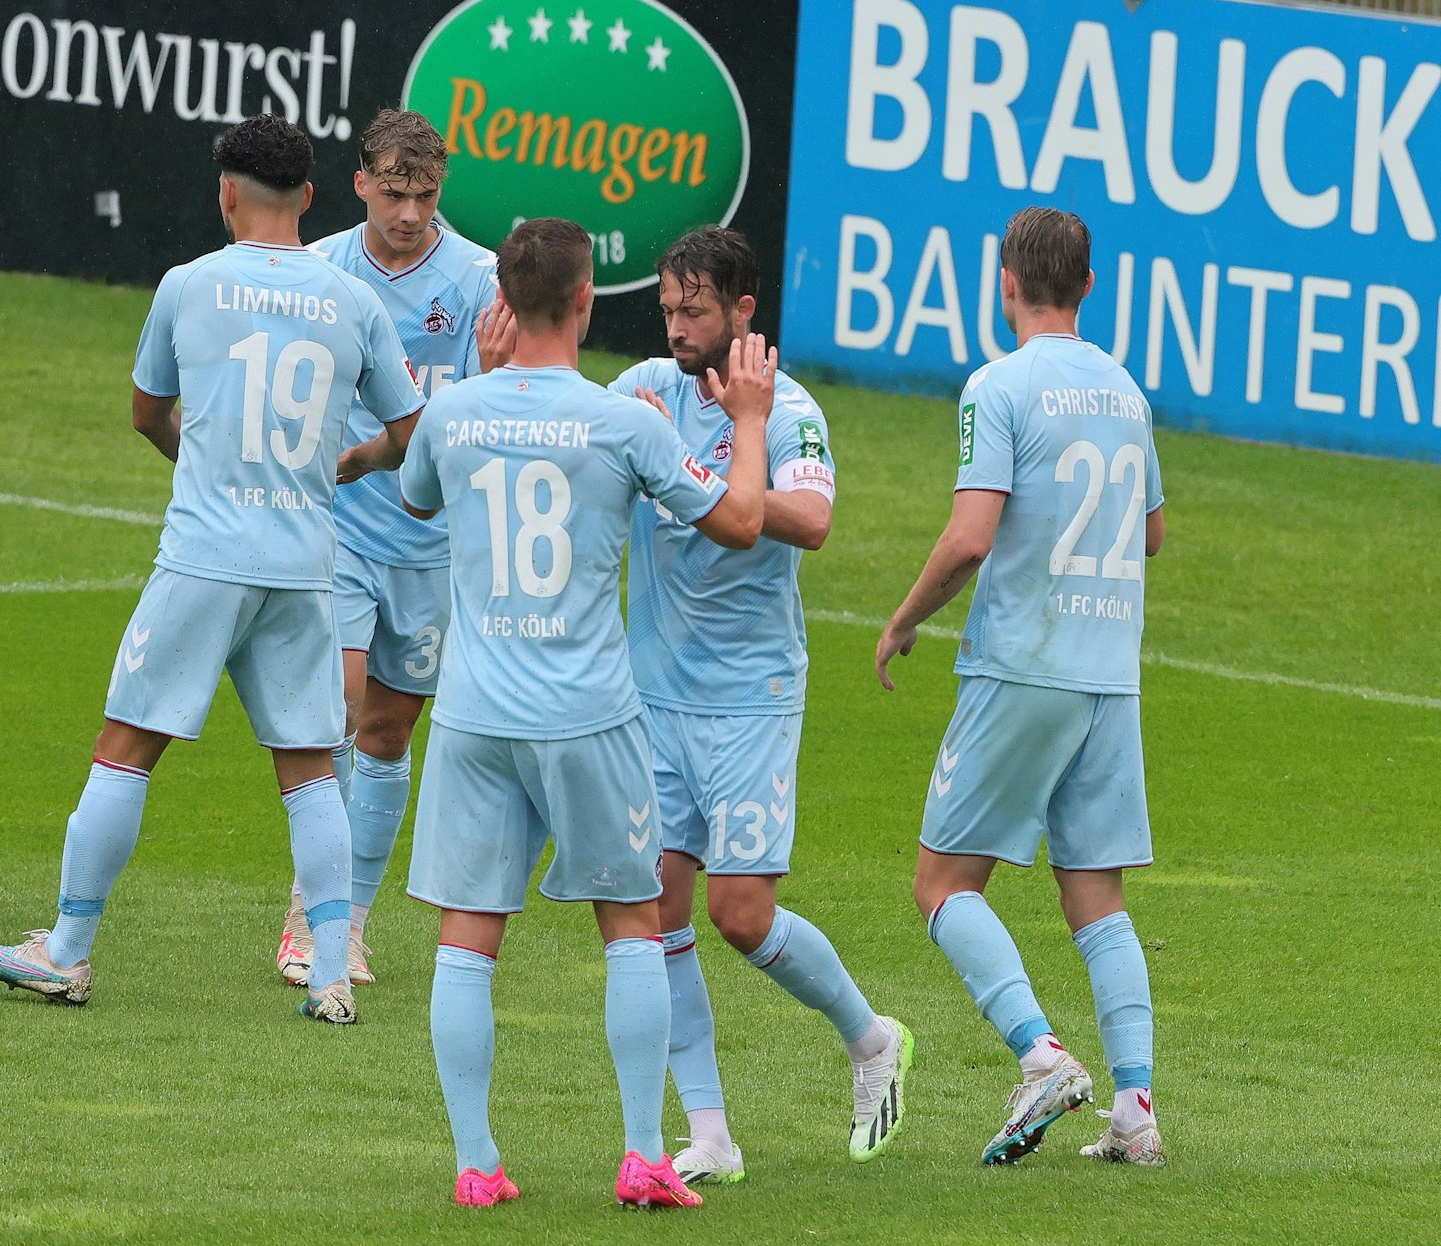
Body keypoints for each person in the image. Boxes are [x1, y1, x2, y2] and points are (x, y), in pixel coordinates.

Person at [0, 114, 424, 1025]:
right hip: (305, 566)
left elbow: (147, 413)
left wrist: (209, 469)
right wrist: (353, 463)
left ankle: (66, 949)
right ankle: (331, 970)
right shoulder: (354, 302)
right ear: (308, 197)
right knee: (309, 769)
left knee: (126, 745)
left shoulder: (188, 284)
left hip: (205, 557)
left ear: (225, 192)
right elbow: (413, 435)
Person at [399, 217, 770, 1209]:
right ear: (580, 299)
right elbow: (738, 523)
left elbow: (419, 501)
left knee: (465, 939)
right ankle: (643, 1152)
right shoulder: (624, 421)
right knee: (633, 926)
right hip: (588, 714)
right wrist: (746, 420)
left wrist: (479, 378)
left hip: (475, 715)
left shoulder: (455, 412)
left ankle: (476, 1162)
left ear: (502, 307)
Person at [610, 226, 911, 1179]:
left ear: (743, 312)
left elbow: (813, 519)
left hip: (751, 697)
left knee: (742, 914)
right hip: (652, 695)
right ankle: (710, 1134)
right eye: (666, 308)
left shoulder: (791, 413)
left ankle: (870, 1038)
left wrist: (699, 478)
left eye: (693, 309)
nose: (676, 326)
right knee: (657, 911)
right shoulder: (646, 391)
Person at [876, 206, 1166, 1167]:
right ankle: (1136, 1113)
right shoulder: (1126, 392)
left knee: (941, 882)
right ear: (1089, 286)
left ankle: (1040, 1054)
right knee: (1097, 897)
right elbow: (1152, 534)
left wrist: (906, 616)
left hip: (1022, 663)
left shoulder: (998, 386)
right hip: (1109, 676)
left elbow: (970, 534)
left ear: (1006, 284)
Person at [276, 107, 512, 988]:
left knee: (385, 730)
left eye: (425, 195)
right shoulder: (322, 269)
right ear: (360, 183)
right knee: (334, 707)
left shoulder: (483, 280)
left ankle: (355, 920)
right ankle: (313, 913)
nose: (409, 213)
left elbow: (495, 410)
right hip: (335, 524)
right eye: (394, 192)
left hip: (433, 540)